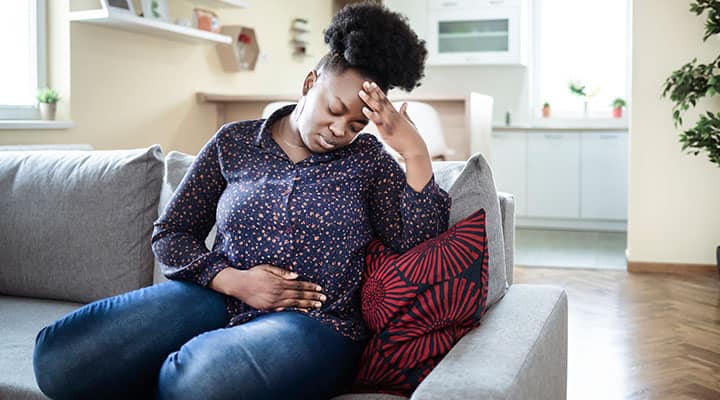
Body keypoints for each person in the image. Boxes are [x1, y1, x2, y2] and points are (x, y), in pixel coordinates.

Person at [32, 2, 451, 399]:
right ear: (310, 84)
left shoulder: (368, 161)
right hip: (215, 299)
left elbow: (419, 243)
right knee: (58, 359)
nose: (341, 130)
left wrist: (414, 152)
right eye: (334, 109)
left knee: (197, 385)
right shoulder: (234, 142)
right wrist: (234, 281)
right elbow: (171, 233)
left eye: (356, 124)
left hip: (317, 325)